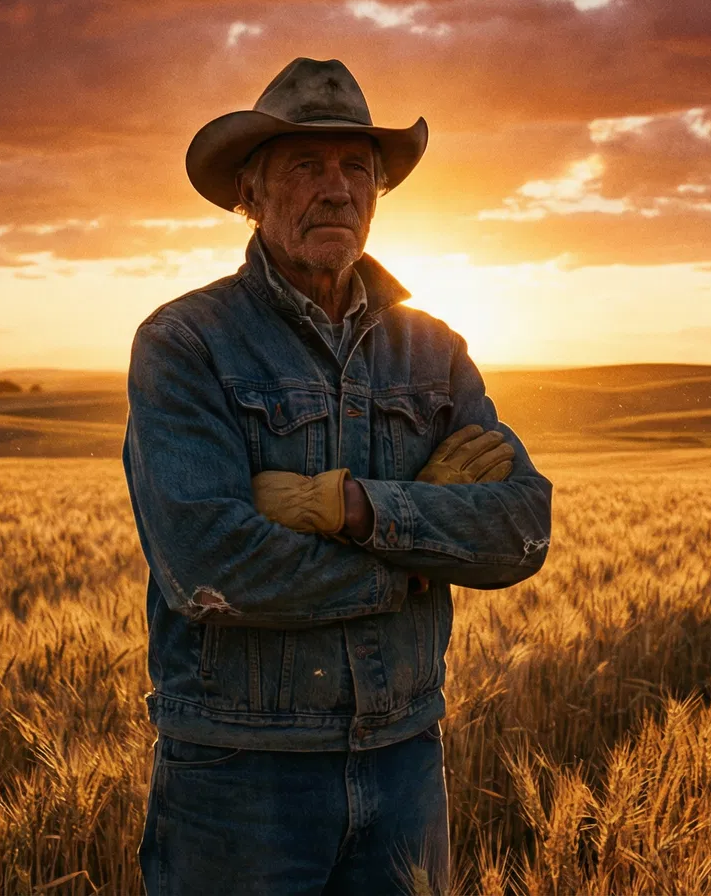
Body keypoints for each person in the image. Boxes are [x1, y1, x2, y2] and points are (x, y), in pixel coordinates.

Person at [123, 57, 553, 895]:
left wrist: (351, 509)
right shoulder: (187, 345)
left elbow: (522, 527)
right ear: (251, 192)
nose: (337, 188)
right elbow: (208, 563)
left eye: (357, 166)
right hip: (241, 774)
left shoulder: (432, 350)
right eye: (305, 166)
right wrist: (420, 551)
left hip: (405, 765)